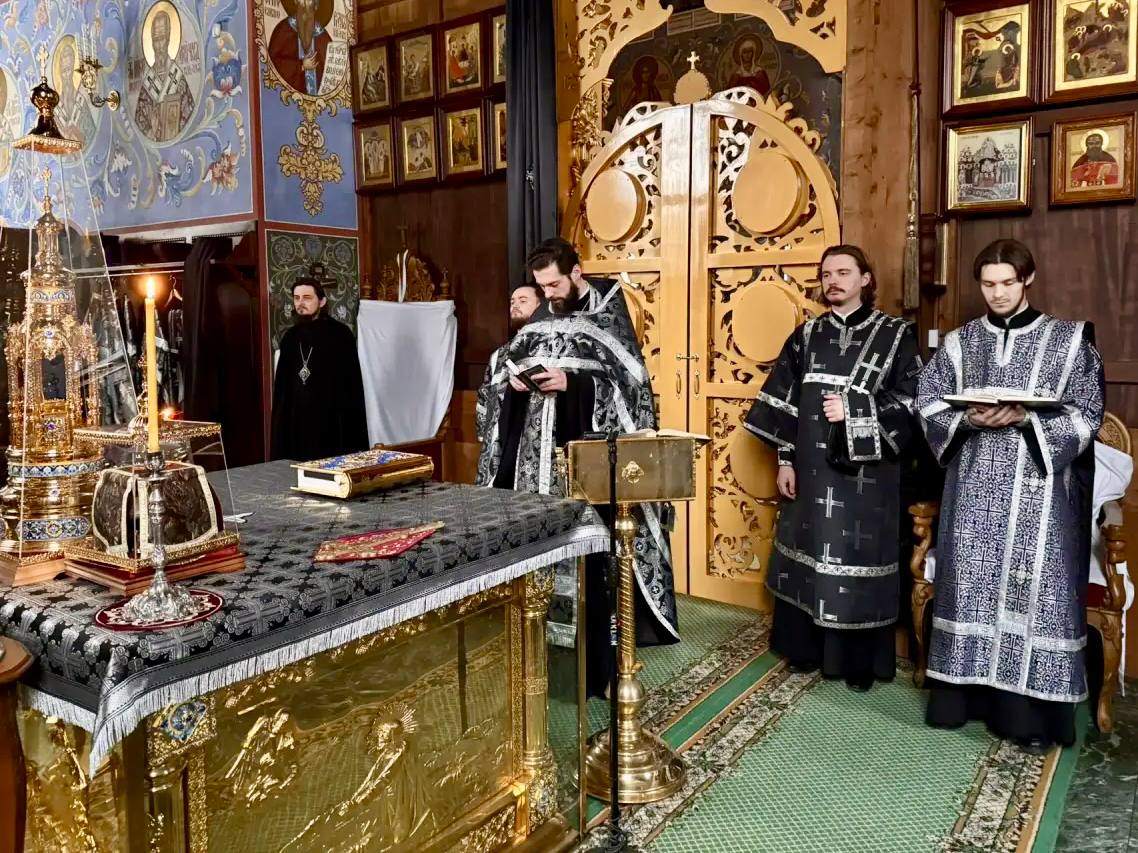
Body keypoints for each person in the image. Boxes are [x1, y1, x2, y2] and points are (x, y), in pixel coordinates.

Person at [915, 238, 1104, 751]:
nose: (997, 293)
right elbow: (927, 402)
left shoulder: (1068, 341)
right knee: (969, 586)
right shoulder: (960, 343)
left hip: (1038, 494)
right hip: (973, 488)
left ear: (1028, 279)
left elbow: (1087, 413)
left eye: (1006, 283)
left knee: (1034, 593)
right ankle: (960, 701)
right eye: (987, 284)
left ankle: (1028, 717)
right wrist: (968, 419)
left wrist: (1025, 417)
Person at [475, 239, 679, 696]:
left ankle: (595, 663)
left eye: (553, 284)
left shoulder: (609, 316)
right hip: (532, 467)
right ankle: (535, 654)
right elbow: (497, 378)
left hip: (584, 470)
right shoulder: (542, 317)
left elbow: (632, 391)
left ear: (576, 272)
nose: (547, 295)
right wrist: (511, 384)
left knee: (590, 562)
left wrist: (574, 384)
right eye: (541, 286)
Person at [744, 244, 922, 690]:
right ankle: (804, 649)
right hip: (810, 472)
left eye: (843, 272)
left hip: (867, 481)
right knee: (808, 554)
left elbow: (915, 402)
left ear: (865, 279)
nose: (833, 281)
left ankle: (858, 663)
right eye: (826, 274)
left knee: (858, 559)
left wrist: (855, 411)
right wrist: (785, 461)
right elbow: (783, 405)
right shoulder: (806, 336)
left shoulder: (895, 335)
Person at [271, 277, 368, 462]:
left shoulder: (340, 335)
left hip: (330, 424)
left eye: (307, 297)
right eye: (297, 298)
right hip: (297, 425)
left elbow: (351, 390)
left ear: (322, 301)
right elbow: (283, 393)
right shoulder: (290, 338)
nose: (300, 303)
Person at [135, 9, 196, 143]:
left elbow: (190, 117)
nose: (159, 46)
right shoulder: (147, 85)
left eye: (162, 38)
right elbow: (139, 125)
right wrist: (151, 130)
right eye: (156, 40)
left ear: (168, 39)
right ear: (151, 42)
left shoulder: (178, 78)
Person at [268, 0, 331, 97]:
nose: (305, 3)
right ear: (295, 1)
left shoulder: (324, 38)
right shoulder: (283, 30)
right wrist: (301, 65)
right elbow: (272, 63)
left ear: (316, 5)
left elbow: (330, 71)